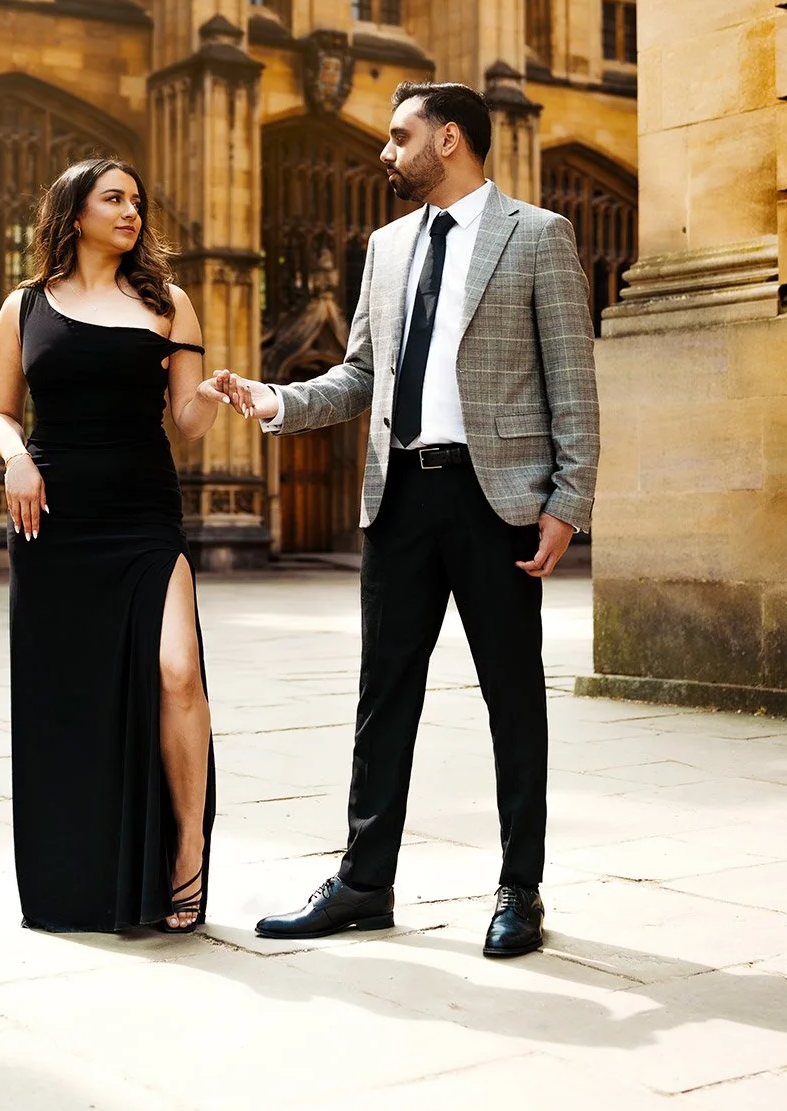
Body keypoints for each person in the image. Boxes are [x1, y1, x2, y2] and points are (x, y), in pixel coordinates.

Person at [212, 82, 599, 957]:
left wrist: (568, 503)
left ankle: (519, 888)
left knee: (512, 698)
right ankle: (362, 882)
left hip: (495, 501)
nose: (385, 153)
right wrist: (272, 399)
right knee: (383, 694)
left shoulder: (537, 236)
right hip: (397, 499)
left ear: (449, 138)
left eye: (400, 136)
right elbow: (359, 379)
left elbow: (572, 383)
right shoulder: (385, 248)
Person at [0, 158, 228, 934]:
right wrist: (16, 458)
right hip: (53, 518)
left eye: (137, 201)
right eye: (113, 199)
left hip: (142, 513)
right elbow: (1, 412)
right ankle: (77, 879)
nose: (131, 212)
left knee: (175, 671)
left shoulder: (169, 303)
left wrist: (214, 398)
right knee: (69, 695)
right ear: (75, 210)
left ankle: (186, 849)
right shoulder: (23, 307)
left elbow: (184, 426)